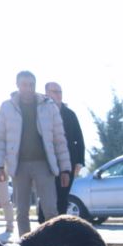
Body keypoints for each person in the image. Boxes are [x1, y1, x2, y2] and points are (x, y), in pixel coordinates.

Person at [0, 70, 72, 237]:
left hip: (44, 165)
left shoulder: (48, 106)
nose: (28, 88)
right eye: (24, 84)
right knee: (21, 212)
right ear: (17, 85)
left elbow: (59, 139)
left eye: (31, 85)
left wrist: (65, 169)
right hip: (18, 166)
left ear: (35, 86)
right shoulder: (7, 107)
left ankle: (53, 244)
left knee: (51, 210)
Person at [45, 82, 86, 217]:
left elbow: (79, 139)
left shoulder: (69, 114)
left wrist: (79, 162)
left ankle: (60, 228)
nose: (58, 95)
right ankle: (44, 229)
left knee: (62, 198)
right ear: (47, 93)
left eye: (60, 92)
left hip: (67, 163)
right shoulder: (41, 113)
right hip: (46, 163)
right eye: (54, 91)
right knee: (47, 199)